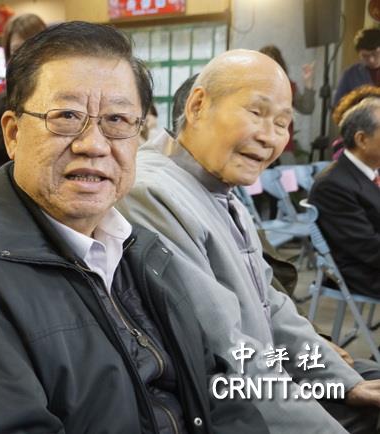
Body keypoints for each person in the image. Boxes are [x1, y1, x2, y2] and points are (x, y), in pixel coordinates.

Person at [0, 21, 270, 434]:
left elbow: (217, 389)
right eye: (67, 116)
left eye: (117, 119)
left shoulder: (143, 248)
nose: (93, 144)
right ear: (13, 134)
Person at [119, 49, 380, 434]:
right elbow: (224, 349)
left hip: (264, 377)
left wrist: (344, 381)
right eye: (256, 113)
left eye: (282, 123)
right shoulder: (152, 191)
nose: (269, 137)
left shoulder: (222, 186)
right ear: (197, 105)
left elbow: (272, 306)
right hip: (224, 404)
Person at [309, 96, 380, 298]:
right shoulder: (333, 185)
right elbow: (368, 248)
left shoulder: (370, 172)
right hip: (363, 274)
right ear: (362, 139)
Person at [259, 44, 315, 153]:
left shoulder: (288, 86)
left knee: (287, 164)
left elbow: (307, 108)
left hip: (283, 147)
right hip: (258, 143)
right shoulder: (251, 86)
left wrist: (308, 81)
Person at [334, 28, 380, 106]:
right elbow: (338, 104)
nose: (371, 60)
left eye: (375, 54)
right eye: (365, 56)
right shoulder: (350, 74)